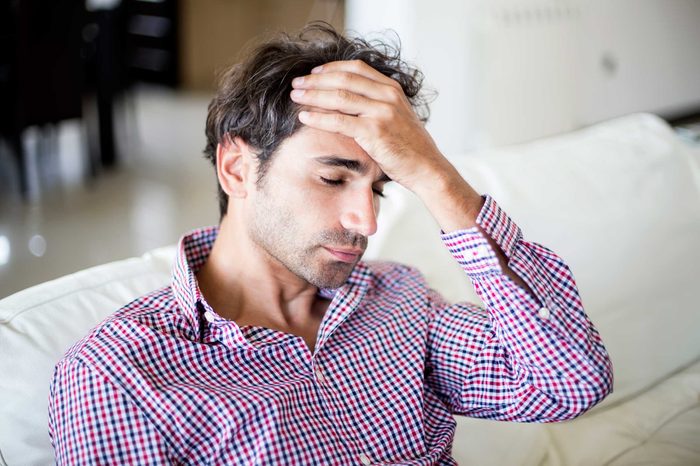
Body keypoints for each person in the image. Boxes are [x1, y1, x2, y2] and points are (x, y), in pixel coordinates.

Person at [48, 23, 613, 465]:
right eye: (333, 177)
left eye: (381, 188)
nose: (365, 220)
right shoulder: (116, 377)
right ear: (238, 168)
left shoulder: (398, 298)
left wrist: (436, 176)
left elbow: (570, 382)